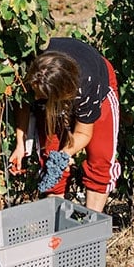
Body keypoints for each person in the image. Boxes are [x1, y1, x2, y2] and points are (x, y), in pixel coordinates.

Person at [10, 37, 121, 213]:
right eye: (35, 93)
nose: (36, 99)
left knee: (101, 158)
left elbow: (84, 133)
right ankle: (58, 226)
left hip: (97, 82)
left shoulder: (87, 87)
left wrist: (64, 155)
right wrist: (20, 143)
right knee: (49, 157)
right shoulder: (33, 74)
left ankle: (91, 225)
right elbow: (23, 102)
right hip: (55, 86)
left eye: (41, 96)